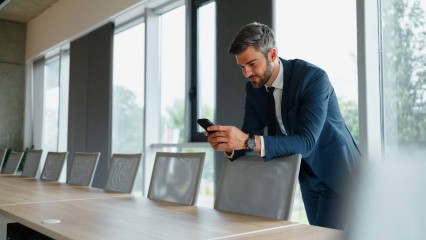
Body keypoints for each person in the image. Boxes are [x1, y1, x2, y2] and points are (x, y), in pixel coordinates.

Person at [205, 22, 361, 230]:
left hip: (339, 175)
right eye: (242, 66)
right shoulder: (255, 89)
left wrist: (246, 141)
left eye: (251, 63)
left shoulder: (313, 78)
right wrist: (231, 145)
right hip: (306, 176)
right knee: (317, 233)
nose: (247, 72)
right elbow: (251, 135)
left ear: (272, 54)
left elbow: (306, 142)